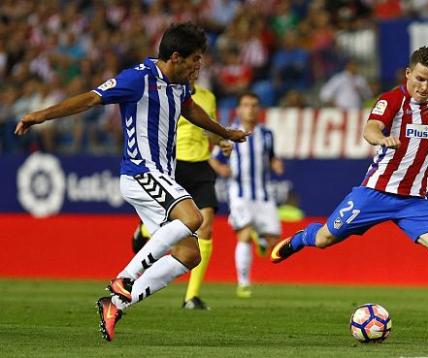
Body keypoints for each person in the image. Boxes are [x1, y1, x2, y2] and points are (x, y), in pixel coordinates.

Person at [14, 22, 250, 342]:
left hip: (161, 176)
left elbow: (190, 109)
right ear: (176, 57)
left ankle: (115, 305)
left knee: (189, 255)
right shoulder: (137, 78)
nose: (200, 65)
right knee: (192, 216)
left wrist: (226, 132)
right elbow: (91, 98)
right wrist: (40, 115)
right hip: (141, 172)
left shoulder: (181, 84)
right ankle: (124, 278)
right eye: (195, 59)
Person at [270, 46, 428, 336]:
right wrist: (381, 139)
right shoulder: (392, 100)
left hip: (413, 202)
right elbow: (369, 128)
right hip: (375, 193)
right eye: (419, 79)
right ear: (408, 74)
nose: (424, 87)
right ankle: (300, 238)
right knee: (324, 238)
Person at [129, 68, 233, 310]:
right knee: (179, 224)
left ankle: (191, 297)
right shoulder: (169, 95)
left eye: (196, 68)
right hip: (175, 165)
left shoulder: (208, 97)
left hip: (202, 166)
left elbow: (209, 129)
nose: (193, 72)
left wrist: (222, 141)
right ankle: (145, 230)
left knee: (205, 228)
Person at [210, 92, 284, 298]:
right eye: (246, 105)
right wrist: (220, 169)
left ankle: (260, 238)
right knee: (243, 234)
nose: (250, 109)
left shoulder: (267, 134)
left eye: (254, 105)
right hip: (240, 193)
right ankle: (243, 284)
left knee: (273, 242)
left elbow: (270, 156)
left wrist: (275, 163)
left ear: (258, 109)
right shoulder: (228, 133)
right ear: (239, 109)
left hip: (264, 195)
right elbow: (213, 158)